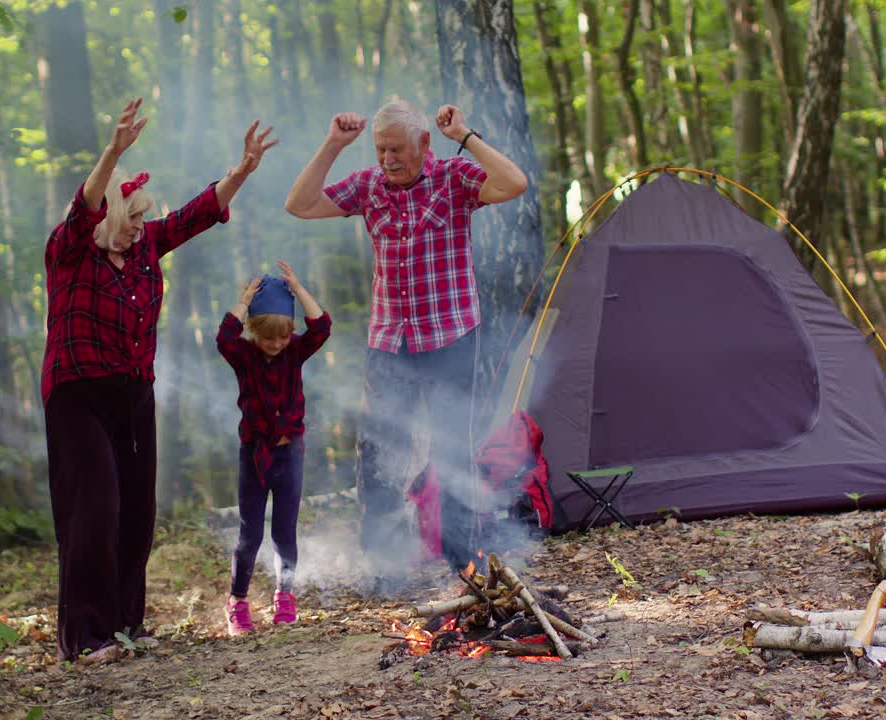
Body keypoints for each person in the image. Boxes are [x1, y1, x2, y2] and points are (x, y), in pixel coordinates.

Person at [42, 97, 277, 662]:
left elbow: (195, 216)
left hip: (133, 392)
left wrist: (239, 173)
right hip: (77, 394)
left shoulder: (146, 249)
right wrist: (113, 151)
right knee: (94, 506)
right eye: (131, 221)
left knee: (136, 510)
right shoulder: (70, 251)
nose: (141, 230)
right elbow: (83, 207)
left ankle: (125, 625)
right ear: (106, 221)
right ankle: (86, 637)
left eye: (145, 220)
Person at [283, 98, 528, 578]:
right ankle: (382, 565)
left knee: (453, 450)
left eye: (396, 149)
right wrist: (334, 145)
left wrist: (466, 137)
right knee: (378, 451)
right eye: (380, 150)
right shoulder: (369, 187)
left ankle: (465, 565)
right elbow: (300, 204)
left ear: (424, 144)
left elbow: (514, 183)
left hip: (452, 338)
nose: (387, 159)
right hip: (389, 343)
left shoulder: (453, 179)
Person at [216, 260, 331, 635]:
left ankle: (285, 596)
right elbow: (224, 337)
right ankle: (237, 601)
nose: (277, 344)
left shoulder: (296, 351)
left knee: (285, 531)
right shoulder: (244, 356)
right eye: (269, 338)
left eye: (283, 337)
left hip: (290, 454)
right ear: (255, 332)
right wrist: (246, 299)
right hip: (255, 456)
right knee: (250, 534)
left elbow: (322, 326)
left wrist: (298, 289)